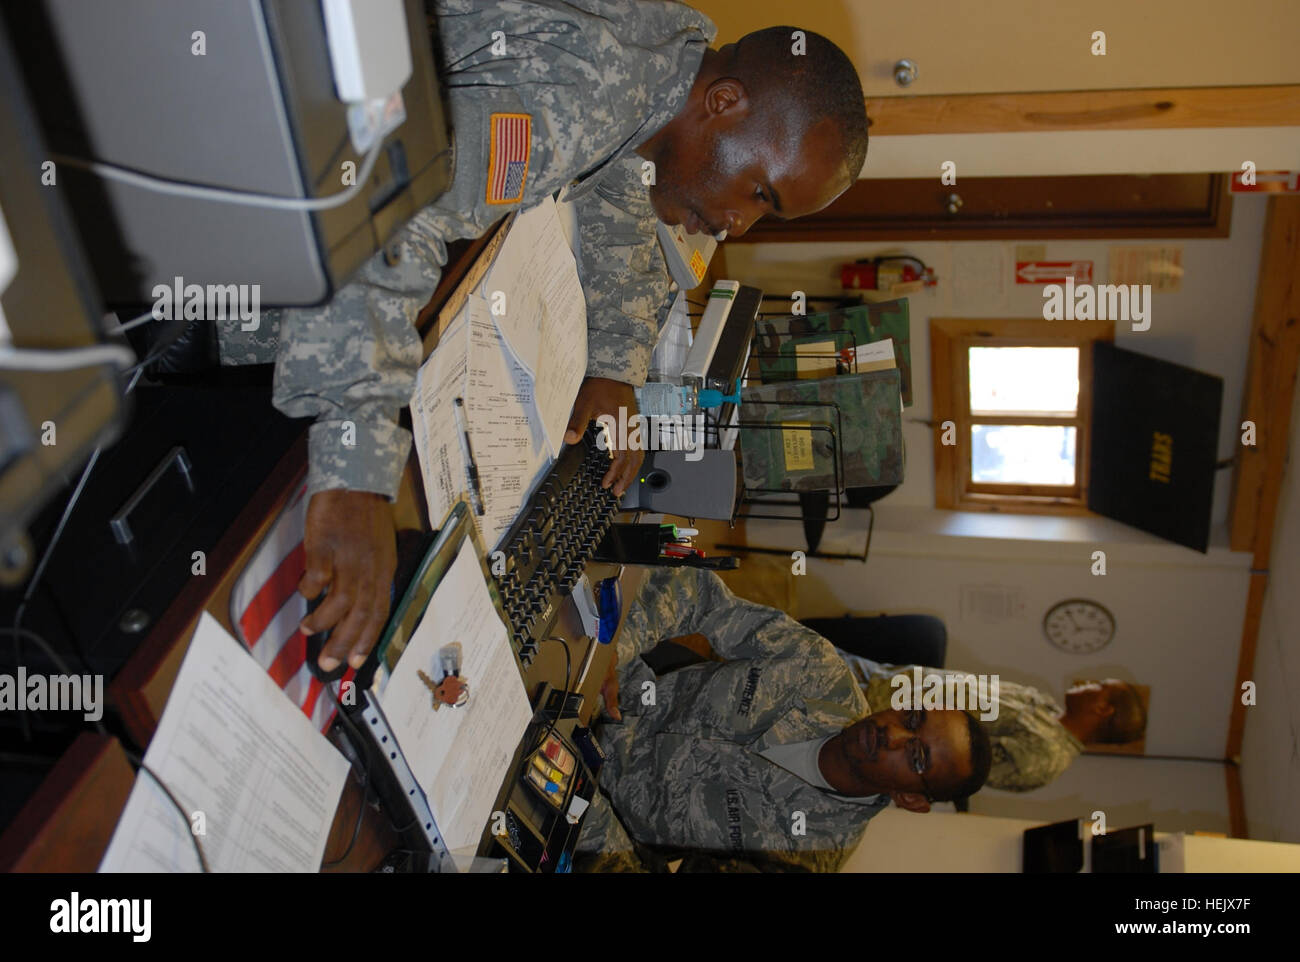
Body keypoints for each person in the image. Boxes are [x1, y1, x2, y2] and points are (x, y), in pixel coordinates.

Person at [216, 1, 869, 674]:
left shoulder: (666, 59)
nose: (738, 224)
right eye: (761, 193)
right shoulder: (587, 91)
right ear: (725, 101)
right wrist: (355, 476)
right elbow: (385, 206)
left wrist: (618, 362)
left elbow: (618, 189)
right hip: (233, 188)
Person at [574, 568, 992, 872]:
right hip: (598, 691)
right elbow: (703, 599)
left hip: (586, 814)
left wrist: (575, 799)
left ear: (913, 800)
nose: (892, 733)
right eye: (912, 718)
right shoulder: (819, 672)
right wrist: (612, 650)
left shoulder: (809, 855)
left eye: (916, 757)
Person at [843, 654, 1148, 792]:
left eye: (1100, 685)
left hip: (870, 718)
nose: (1090, 682)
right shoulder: (1047, 706)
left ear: (1103, 708)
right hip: (880, 678)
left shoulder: (1045, 757)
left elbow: (949, 767)